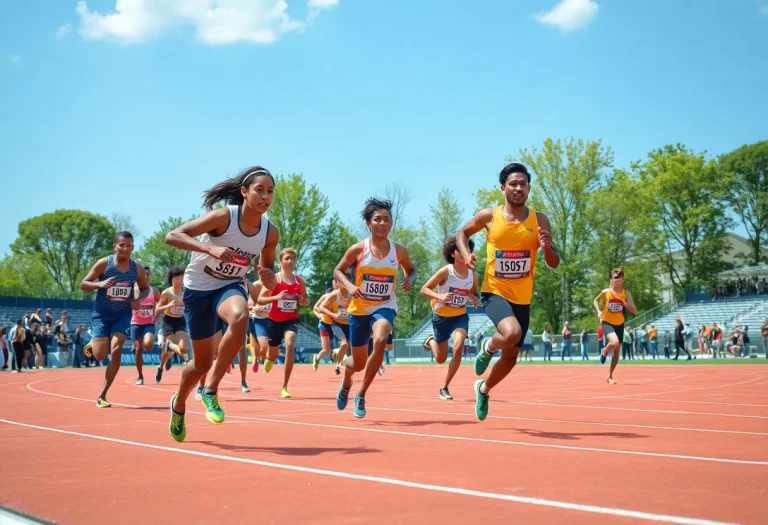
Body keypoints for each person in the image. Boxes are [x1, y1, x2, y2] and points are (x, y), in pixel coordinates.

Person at [164, 166, 278, 442]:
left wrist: (269, 276)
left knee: (240, 316)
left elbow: (270, 282)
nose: (265, 196)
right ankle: (178, 404)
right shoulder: (224, 217)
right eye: (259, 190)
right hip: (198, 290)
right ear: (244, 192)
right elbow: (172, 236)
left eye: (270, 192)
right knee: (200, 363)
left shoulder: (269, 233)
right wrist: (208, 248)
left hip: (230, 287)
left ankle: (211, 390)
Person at [456, 162, 559, 421]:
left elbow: (554, 262)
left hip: (522, 298)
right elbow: (462, 232)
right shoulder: (490, 216)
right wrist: (467, 255)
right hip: (494, 291)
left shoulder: (540, 219)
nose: (518, 188)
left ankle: (484, 388)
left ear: (529, 189)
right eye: (513, 183)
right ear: (503, 188)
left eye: (523, 184)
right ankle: (489, 345)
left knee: (511, 358)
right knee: (512, 333)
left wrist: (547, 249)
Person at [333, 198, 416, 418]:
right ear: (368, 223)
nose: (382, 223)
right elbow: (338, 271)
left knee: (380, 339)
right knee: (357, 363)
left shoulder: (398, 251)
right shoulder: (359, 249)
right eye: (377, 219)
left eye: (386, 219)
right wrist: (350, 286)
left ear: (391, 223)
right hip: (359, 309)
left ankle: (361, 394)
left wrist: (409, 279)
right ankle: (347, 381)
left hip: (385, 305)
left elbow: (411, 269)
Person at [80, 231, 150, 407]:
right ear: (115, 246)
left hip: (123, 315)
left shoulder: (137, 269)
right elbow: (83, 284)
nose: (125, 249)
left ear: (133, 247)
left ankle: (103, 394)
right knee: (100, 354)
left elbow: (144, 289)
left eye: (129, 245)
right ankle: (94, 343)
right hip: (102, 315)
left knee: (117, 348)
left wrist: (138, 300)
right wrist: (99, 284)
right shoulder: (104, 264)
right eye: (122, 245)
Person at [420, 236, 479, 400]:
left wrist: (473, 298)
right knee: (440, 358)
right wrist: (439, 296)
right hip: (441, 317)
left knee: (459, 346)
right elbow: (424, 289)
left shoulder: (473, 275)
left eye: (466, 250)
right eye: (459, 250)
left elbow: (471, 292)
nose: (463, 253)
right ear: (452, 253)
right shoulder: (446, 272)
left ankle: (445, 387)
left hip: (459, 316)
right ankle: (431, 341)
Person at [260, 248, 309, 398]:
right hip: (274, 320)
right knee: (273, 353)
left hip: (291, 320)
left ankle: (285, 386)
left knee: (289, 344)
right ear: (280, 261)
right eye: (287, 258)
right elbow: (261, 299)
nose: (290, 261)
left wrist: (303, 300)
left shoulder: (299, 281)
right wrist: (276, 298)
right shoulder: (274, 279)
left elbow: (306, 301)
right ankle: (269, 359)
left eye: (293, 259)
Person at [593, 267, 637, 384]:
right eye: (615, 278)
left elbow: (634, 310)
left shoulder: (626, 293)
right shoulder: (606, 292)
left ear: (623, 279)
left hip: (619, 324)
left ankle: (610, 376)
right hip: (607, 322)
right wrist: (598, 311)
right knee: (615, 342)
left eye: (619, 277)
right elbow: (595, 300)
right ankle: (605, 350)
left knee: (617, 352)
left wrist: (625, 303)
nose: (617, 280)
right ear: (611, 280)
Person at [154, 264, 191, 380]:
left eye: (182, 277)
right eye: (176, 278)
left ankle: (169, 349)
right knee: (169, 350)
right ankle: (161, 367)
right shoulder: (167, 293)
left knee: (183, 348)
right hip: (168, 322)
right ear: (172, 279)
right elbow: (157, 310)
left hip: (180, 321)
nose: (179, 280)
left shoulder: (187, 292)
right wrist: (169, 305)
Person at [130, 265, 162, 385]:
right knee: (138, 349)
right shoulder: (133, 290)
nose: (146, 277)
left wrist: (157, 316)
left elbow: (161, 304)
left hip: (149, 323)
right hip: (135, 323)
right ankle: (140, 376)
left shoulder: (154, 291)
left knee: (148, 346)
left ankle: (145, 341)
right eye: (143, 274)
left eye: (148, 274)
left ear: (150, 276)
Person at [313, 277, 352, 375]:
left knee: (345, 346)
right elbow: (316, 308)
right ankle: (318, 358)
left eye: (339, 282)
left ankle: (337, 362)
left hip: (339, 323)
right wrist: (320, 316)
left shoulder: (347, 295)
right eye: (336, 283)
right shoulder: (328, 296)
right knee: (326, 349)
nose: (337, 284)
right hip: (326, 323)